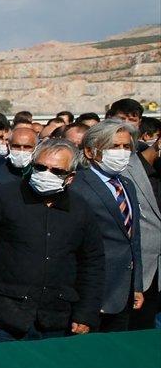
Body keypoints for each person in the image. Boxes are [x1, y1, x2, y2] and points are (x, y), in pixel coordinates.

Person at [0, 140, 103, 344]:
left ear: (70, 178)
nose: (46, 174)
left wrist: (86, 313)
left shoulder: (80, 210)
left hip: (55, 319)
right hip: (1, 317)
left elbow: (92, 263)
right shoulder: (3, 197)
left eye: (56, 171)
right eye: (41, 167)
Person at [71, 121, 146, 332]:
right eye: (114, 146)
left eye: (126, 147)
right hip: (92, 294)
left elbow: (133, 240)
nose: (122, 152)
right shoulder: (78, 185)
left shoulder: (127, 185)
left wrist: (136, 286)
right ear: (90, 151)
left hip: (123, 292)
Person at [106, 99, 160, 330]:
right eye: (122, 118)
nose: (128, 124)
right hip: (129, 267)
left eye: (133, 119)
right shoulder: (113, 158)